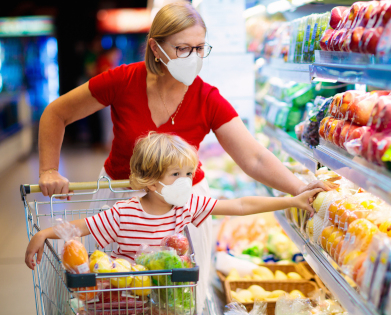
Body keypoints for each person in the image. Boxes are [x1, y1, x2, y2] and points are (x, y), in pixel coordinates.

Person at [35, 2, 331, 309]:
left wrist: (299, 189)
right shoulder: (122, 81)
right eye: (182, 48)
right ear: (156, 47)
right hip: (120, 204)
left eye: (200, 48)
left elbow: (253, 157)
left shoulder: (207, 98)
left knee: (177, 301)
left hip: (182, 209)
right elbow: (56, 114)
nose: (194, 57)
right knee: (114, 296)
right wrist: (48, 170)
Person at [25, 133, 321, 296]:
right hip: (130, 300)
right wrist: (43, 233)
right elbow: (81, 227)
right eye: (176, 174)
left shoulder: (186, 206)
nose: (186, 181)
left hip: (170, 298)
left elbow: (241, 205)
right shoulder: (123, 213)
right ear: (151, 181)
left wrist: (291, 200)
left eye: (189, 174)